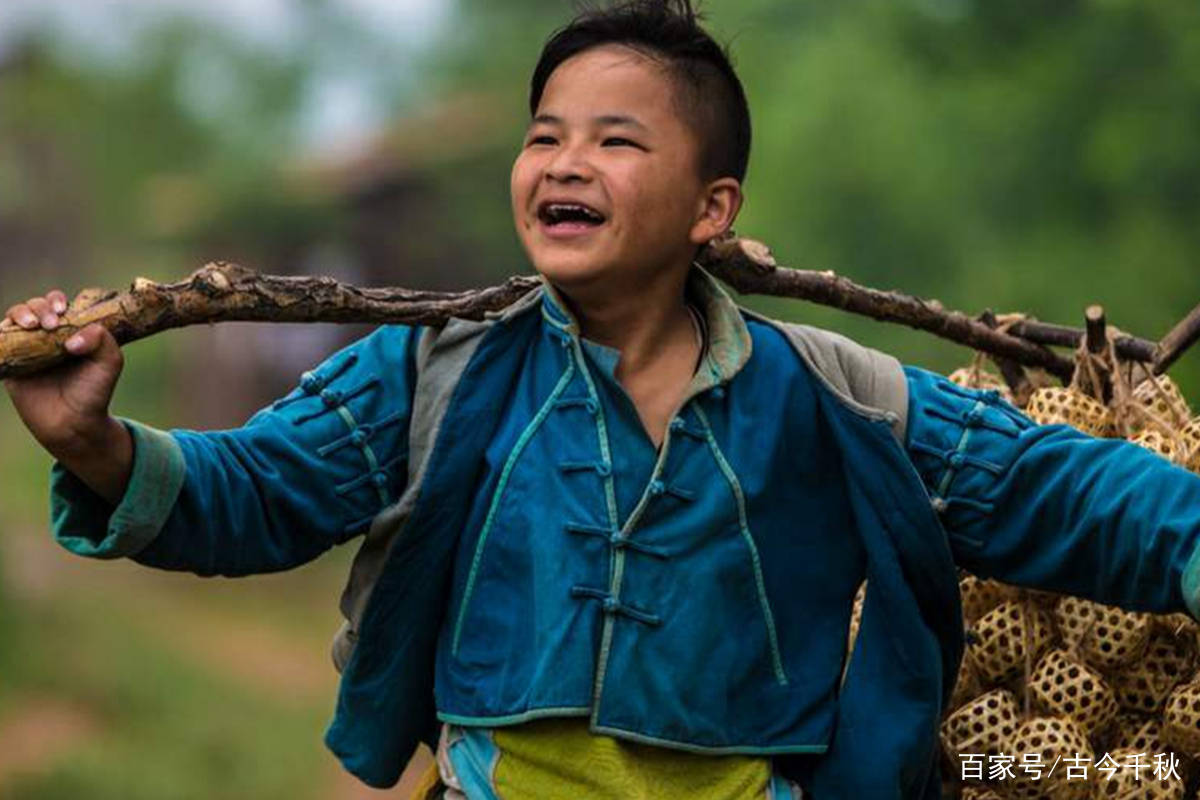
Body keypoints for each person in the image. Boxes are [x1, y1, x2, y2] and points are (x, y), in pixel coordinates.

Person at [5, 1, 1200, 798]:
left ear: (711, 207)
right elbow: (256, 492)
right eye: (544, 135)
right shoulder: (438, 370)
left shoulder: (841, 396)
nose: (564, 162)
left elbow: (1057, 488)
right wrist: (102, 446)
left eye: (616, 140)